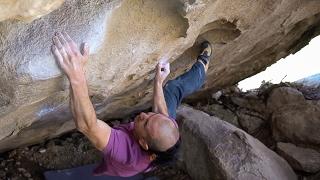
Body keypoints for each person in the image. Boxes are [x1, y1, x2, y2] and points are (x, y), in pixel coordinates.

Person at [51, 32, 212, 177]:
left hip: (121, 166)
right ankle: (202, 66)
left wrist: (76, 73)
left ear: (143, 143)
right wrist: (158, 81)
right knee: (172, 89)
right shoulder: (165, 131)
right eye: (151, 115)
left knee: (107, 160)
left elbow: (87, 125)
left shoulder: (127, 152)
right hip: (154, 141)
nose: (143, 114)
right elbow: (161, 113)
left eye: (146, 121)